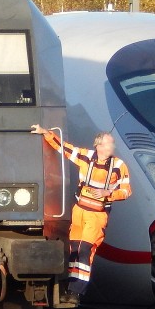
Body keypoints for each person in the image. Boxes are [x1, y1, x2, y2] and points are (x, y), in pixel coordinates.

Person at [30, 124, 132, 296]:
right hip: (79, 211)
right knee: (75, 248)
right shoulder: (86, 156)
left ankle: (78, 290)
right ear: (98, 146)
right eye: (109, 144)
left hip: (97, 215)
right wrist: (45, 133)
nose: (112, 147)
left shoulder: (119, 165)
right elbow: (64, 147)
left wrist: (109, 193)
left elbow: (126, 191)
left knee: (86, 250)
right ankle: (71, 285)